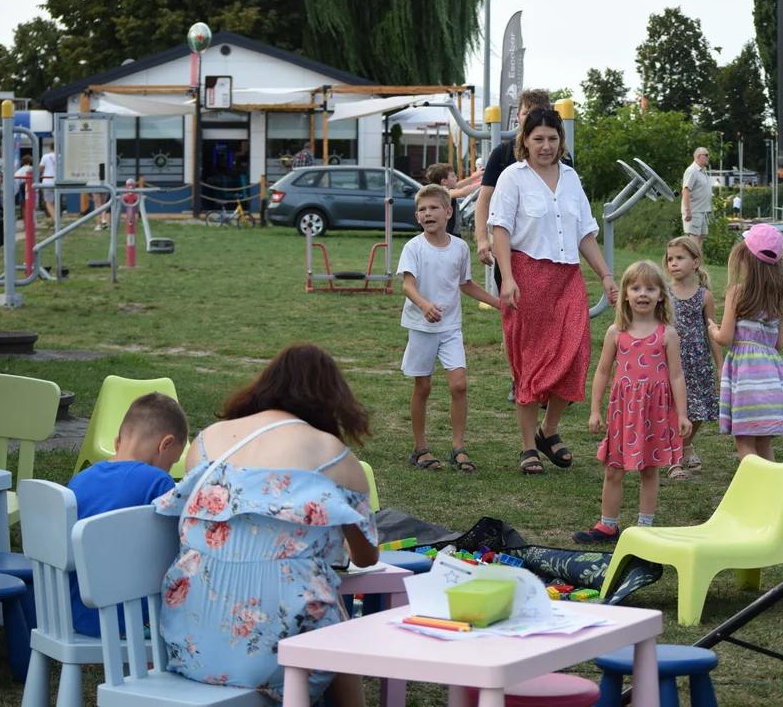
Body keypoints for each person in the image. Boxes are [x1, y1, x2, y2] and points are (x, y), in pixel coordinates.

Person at [154, 343, 378, 706]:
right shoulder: (334, 455)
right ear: (331, 399)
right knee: (332, 614)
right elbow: (366, 558)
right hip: (283, 652)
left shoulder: (208, 441)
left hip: (192, 636)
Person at [489, 108, 618, 475]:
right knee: (530, 362)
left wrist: (606, 276)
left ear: (561, 140)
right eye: (538, 139)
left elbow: (584, 233)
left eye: (552, 138)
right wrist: (508, 277)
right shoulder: (512, 178)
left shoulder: (572, 179)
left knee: (575, 354)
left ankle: (550, 430)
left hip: (568, 279)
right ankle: (528, 446)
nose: (546, 146)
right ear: (524, 141)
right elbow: (500, 230)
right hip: (526, 277)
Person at [574, 261, 691, 543]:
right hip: (622, 413)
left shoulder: (668, 334)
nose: (642, 294)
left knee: (649, 470)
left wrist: (683, 415)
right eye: (635, 287)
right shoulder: (616, 332)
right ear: (625, 294)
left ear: (661, 295)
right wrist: (594, 410)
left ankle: (644, 529)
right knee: (614, 469)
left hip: (655, 413)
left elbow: (676, 376)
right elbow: (602, 372)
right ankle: (607, 525)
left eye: (650, 288)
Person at [474, 88, 567, 403]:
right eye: (528, 114)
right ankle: (522, 379)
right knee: (520, 321)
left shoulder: (562, 158)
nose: (533, 121)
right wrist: (481, 238)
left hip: (552, 257)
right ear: (519, 117)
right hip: (512, 254)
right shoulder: (503, 154)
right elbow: (484, 199)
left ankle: (545, 381)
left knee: (552, 322)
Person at [398, 184, 500, 473]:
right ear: (417, 216)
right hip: (421, 327)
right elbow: (408, 285)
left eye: (433, 208)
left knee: (459, 384)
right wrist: (424, 305)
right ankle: (420, 448)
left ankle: (458, 448)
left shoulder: (459, 248)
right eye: (422, 209)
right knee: (424, 387)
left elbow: (465, 284)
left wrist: (497, 303)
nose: (428, 213)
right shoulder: (413, 247)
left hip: (451, 328)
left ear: (448, 212)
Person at [66, 393, 186, 637]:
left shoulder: (80, 480)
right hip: (128, 621)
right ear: (165, 445)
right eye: (172, 462)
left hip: (77, 614)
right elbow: (174, 551)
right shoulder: (158, 482)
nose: (169, 470)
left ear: (117, 441)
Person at [708, 224, 783, 460]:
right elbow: (779, 344)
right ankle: (773, 490)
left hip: (746, 377)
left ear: (745, 258)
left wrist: (712, 330)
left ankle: (755, 489)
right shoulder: (777, 297)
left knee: (744, 440)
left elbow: (725, 338)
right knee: (764, 441)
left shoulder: (736, 293)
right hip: (771, 376)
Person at [665, 236, 722, 478]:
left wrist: (720, 365)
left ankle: (686, 444)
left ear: (695, 262)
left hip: (698, 363)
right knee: (672, 408)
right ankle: (674, 455)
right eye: (670, 259)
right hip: (670, 361)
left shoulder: (704, 296)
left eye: (680, 258)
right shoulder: (663, 293)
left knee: (699, 409)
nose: (673, 263)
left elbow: (712, 332)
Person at [424, 162, 481, 237]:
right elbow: (462, 192)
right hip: (449, 233)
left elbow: (459, 185)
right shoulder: (444, 192)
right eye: (453, 176)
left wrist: (476, 176)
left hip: (449, 233)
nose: (456, 178)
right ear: (444, 181)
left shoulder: (440, 189)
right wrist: (484, 183)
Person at [681, 147, 713, 244]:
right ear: (698, 156)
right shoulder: (692, 170)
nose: (708, 157)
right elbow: (685, 190)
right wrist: (688, 211)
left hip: (702, 210)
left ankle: (697, 258)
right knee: (694, 238)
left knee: (703, 235)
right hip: (694, 210)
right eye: (706, 155)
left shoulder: (702, 170)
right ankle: (692, 258)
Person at [39, 140, 56, 227]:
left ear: (50, 147)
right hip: (57, 181)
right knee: (56, 202)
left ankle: (55, 220)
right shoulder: (61, 156)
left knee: (48, 203)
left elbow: (40, 169)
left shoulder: (45, 156)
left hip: (47, 181)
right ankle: (53, 221)